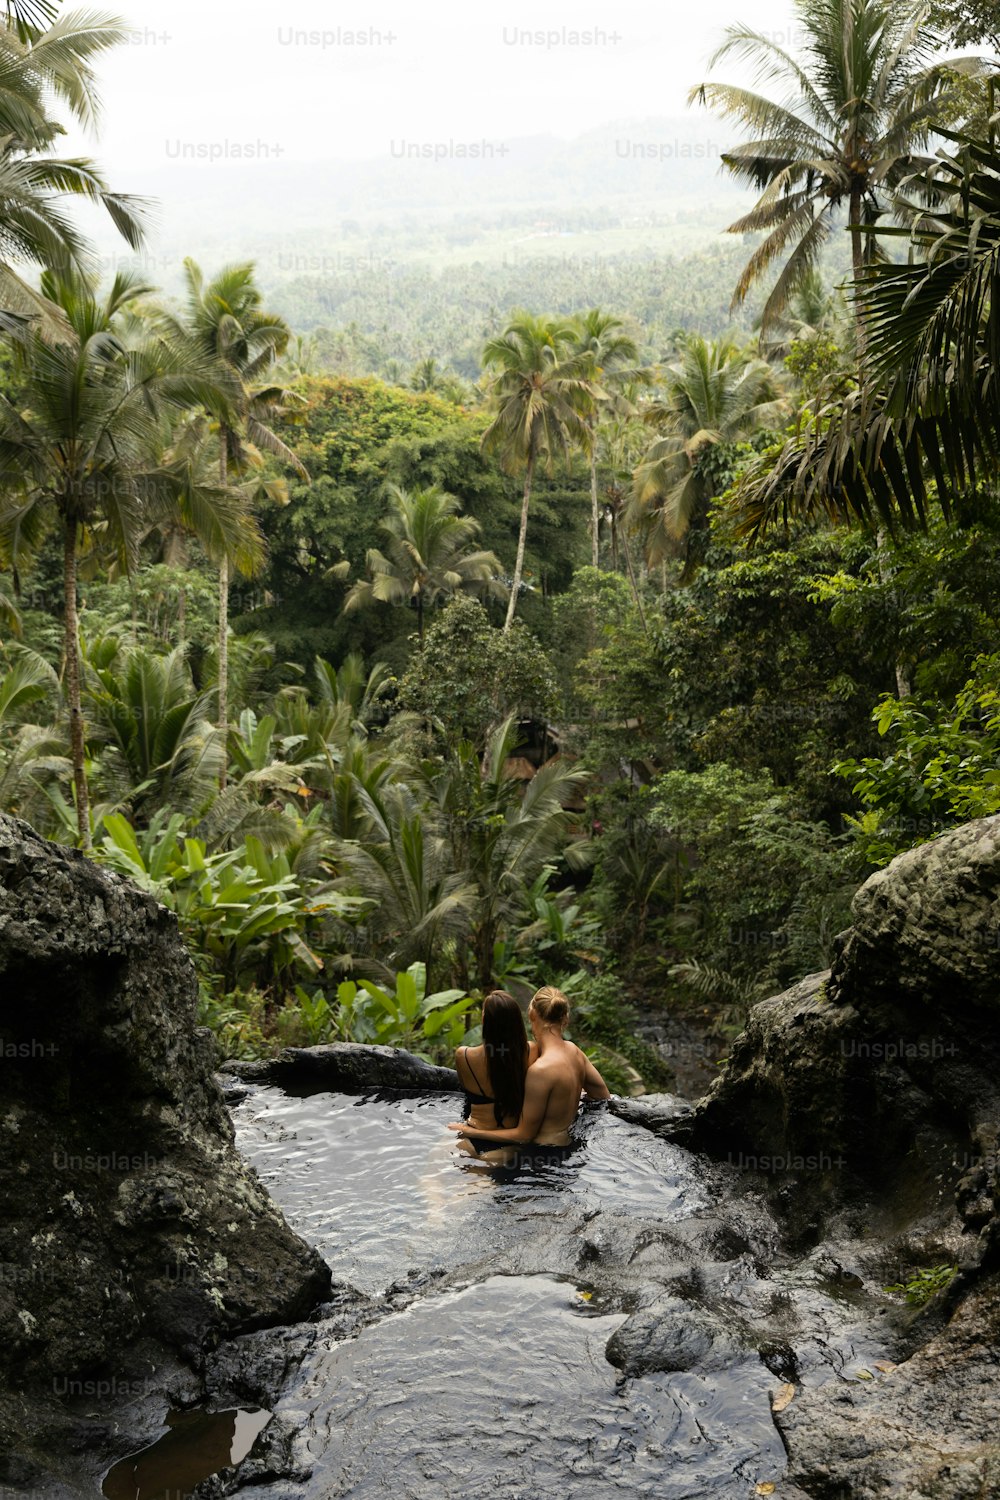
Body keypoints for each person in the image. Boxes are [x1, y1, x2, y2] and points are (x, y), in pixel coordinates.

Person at [449, 986, 610, 1160]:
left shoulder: (539, 1069)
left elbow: (524, 1135)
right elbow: (602, 1096)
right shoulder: (574, 1051)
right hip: (566, 1150)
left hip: (540, 1155)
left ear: (531, 1014)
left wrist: (469, 1131)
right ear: (565, 1018)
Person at [454, 990, 537, 1165]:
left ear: (485, 1021)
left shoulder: (464, 1056)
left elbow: (466, 1093)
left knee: (429, 1181)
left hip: (469, 1133)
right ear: (516, 1023)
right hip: (506, 1144)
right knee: (478, 1187)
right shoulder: (530, 1052)